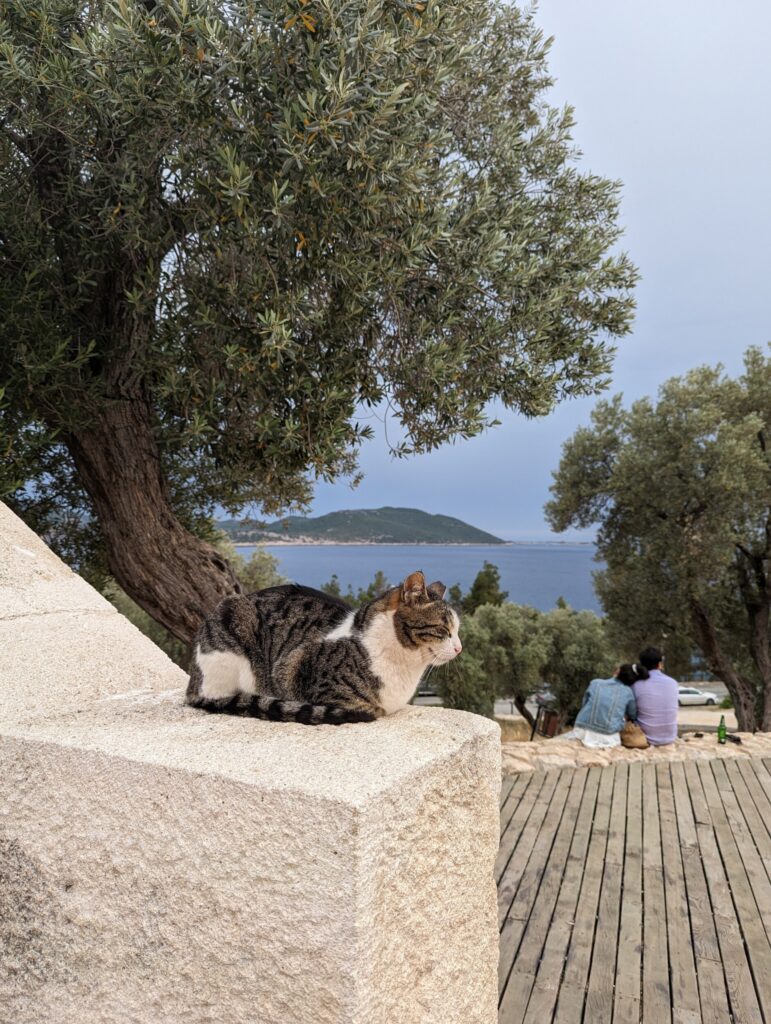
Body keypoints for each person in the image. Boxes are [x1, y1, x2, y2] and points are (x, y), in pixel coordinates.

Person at [568, 664, 649, 748]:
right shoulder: (628, 692)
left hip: (582, 730)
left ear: (618, 671)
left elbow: (584, 704)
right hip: (608, 736)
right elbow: (633, 714)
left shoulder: (595, 683)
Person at [632, 646, 679, 746]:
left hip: (647, 738)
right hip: (670, 737)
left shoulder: (636, 684)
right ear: (660, 664)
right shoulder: (673, 683)